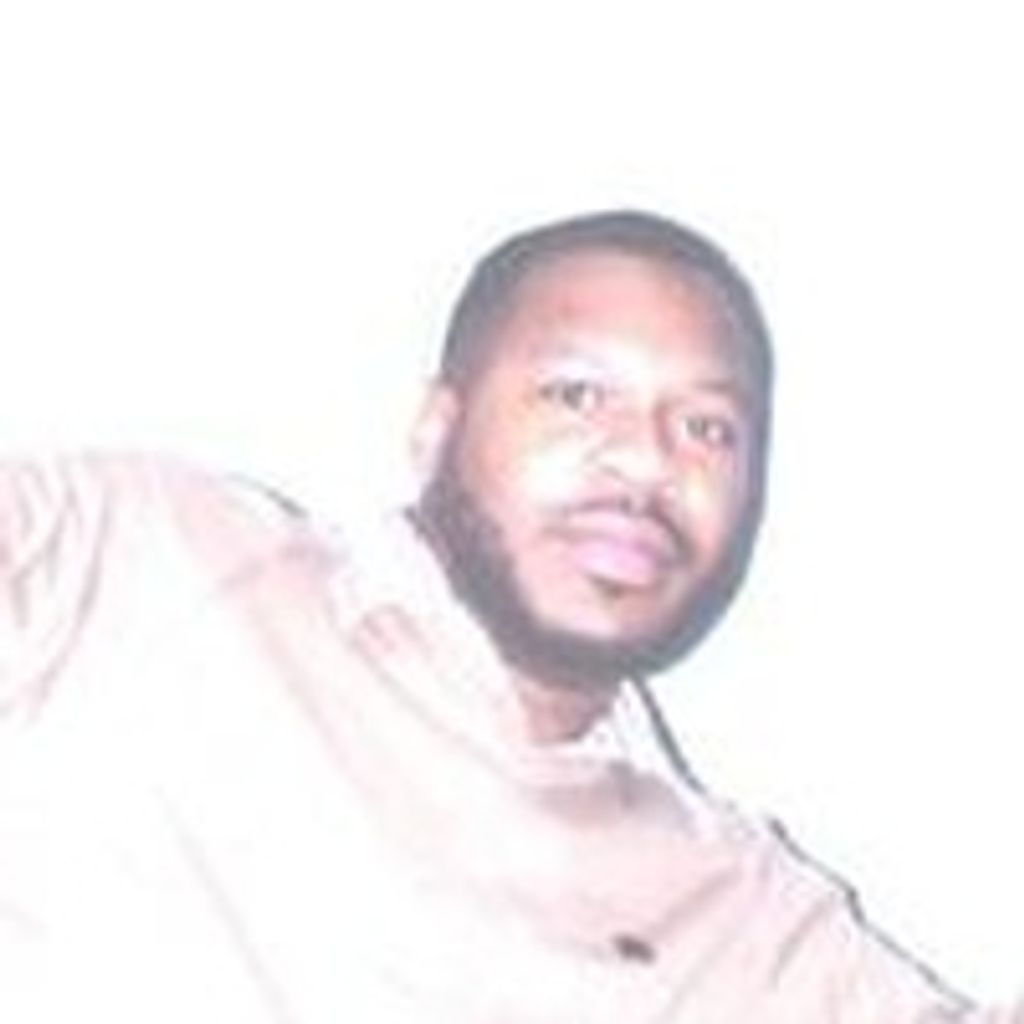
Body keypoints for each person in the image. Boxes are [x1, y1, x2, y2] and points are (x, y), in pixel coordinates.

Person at [0, 211, 1017, 1022]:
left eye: (707, 427)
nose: (647, 458)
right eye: (577, 394)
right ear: (434, 429)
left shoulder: (742, 911)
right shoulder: (149, 560)